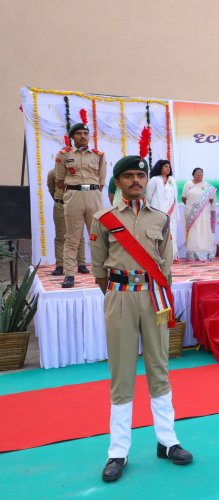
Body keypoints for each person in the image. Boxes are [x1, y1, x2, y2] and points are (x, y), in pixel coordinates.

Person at [90, 153, 192, 483]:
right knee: (121, 373)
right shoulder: (103, 219)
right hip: (119, 296)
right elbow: (98, 268)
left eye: (140, 175)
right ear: (118, 182)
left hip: (154, 298)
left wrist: (156, 292)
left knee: (159, 367)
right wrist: (117, 295)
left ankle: (167, 441)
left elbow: (165, 265)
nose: (136, 180)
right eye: (129, 176)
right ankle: (118, 451)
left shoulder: (160, 219)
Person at [55, 118, 106, 288]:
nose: (83, 136)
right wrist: (73, 191)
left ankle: (103, 273)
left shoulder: (98, 155)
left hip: (93, 194)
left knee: (98, 236)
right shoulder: (64, 155)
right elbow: (60, 180)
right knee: (72, 237)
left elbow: (101, 181)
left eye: (85, 133)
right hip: (74, 195)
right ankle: (69, 274)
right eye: (79, 133)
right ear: (72, 137)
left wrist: (91, 190)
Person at [47, 168, 86, 276]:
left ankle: (81, 264)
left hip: (76, 205)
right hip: (60, 205)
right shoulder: (53, 172)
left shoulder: (78, 172)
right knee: (60, 236)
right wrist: (60, 199)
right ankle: (60, 265)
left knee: (79, 235)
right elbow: (51, 189)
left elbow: (84, 188)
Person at [146, 160, 179, 259]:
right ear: (160, 168)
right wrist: (156, 207)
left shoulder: (172, 180)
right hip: (158, 211)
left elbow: (175, 196)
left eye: (169, 166)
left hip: (171, 211)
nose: (168, 168)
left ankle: (171, 254)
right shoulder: (154, 180)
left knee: (172, 231)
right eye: (166, 166)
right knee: (159, 232)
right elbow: (148, 196)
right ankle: (158, 254)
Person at [182, 167, 216, 262]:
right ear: (193, 174)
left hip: (204, 212)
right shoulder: (188, 184)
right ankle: (193, 253)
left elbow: (211, 199)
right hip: (192, 213)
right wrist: (193, 207)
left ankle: (205, 252)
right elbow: (184, 198)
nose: (199, 175)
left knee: (204, 230)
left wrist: (202, 206)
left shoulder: (207, 185)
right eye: (197, 173)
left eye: (201, 173)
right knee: (194, 231)